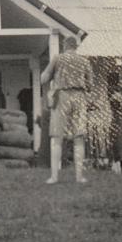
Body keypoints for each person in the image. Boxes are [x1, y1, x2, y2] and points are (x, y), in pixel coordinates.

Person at [40, 35, 93, 183]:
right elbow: (90, 85)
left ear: (65, 45)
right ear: (76, 46)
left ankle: (54, 177)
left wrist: (50, 79)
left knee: (57, 137)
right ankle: (79, 177)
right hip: (80, 97)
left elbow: (43, 78)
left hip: (62, 96)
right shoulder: (85, 61)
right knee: (79, 137)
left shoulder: (58, 58)